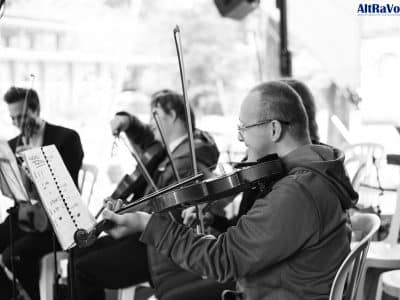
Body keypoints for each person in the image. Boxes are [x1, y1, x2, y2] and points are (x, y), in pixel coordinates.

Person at [104, 81, 358, 300]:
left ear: (274, 130)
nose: (240, 139)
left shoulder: (296, 192)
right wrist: (214, 221)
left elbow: (223, 260)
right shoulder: (316, 168)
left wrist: (147, 224)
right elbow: (263, 241)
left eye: (244, 129)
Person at [74, 89, 233, 300]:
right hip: (149, 236)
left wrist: (127, 216)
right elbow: (145, 139)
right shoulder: (173, 150)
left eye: (155, 115)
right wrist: (128, 121)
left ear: (173, 116)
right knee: (79, 252)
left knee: (82, 270)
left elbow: (169, 213)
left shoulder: (185, 160)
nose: (150, 123)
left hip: (158, 249)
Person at [0, 86, 84, 300]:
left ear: (36, 110)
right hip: (24, 216)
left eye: (23, 117)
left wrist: (34, 165)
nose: (19, 124)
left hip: (57, 223)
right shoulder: (12, 145)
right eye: (13, 119)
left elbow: (68, 189)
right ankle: (15, 295)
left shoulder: (66, 138)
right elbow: (13, 191)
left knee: (13, 257)